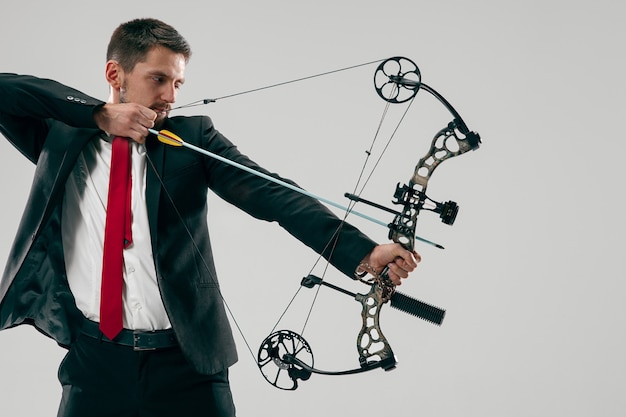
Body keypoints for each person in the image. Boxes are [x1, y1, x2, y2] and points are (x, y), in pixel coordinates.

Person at [0, 18, 420, 417]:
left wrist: (364, 251)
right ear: (115, 75)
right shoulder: (60, 136)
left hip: (187, 365)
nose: (170, 95)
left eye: (178, 83)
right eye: (158, 79)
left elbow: (274, 195)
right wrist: (96, 114)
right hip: (95, 362)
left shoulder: (191, 139)